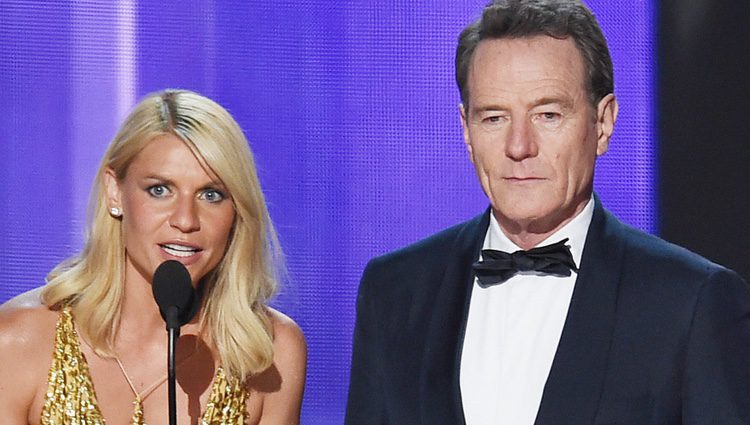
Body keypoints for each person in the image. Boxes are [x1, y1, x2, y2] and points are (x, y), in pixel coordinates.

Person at [345, 1, 750, 424]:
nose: (519, 146)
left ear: (603, 123)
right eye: (495, 117)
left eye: (548, 114)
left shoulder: (691, 302)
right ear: (466, 129)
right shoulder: (394, 292)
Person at [0, 89, 306, 424]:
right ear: (114, 192)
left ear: (236, 211)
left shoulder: (270, 352)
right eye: (160, 190)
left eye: (211, 194)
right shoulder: (18, 341)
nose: (186, 220)